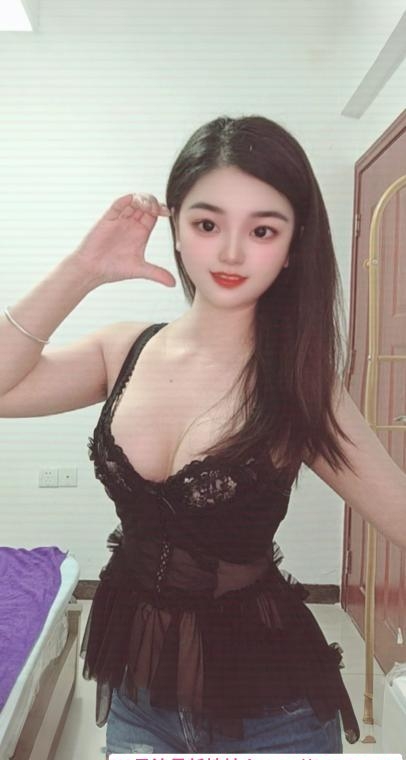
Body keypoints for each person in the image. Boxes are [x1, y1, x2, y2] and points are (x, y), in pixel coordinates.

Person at [1, 115, 406, 756]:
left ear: (293, 245)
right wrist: (85, 268)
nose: (231, 253)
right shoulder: (123, 350)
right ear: (177, 230)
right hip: (140, 696)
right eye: (208, 224)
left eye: (263, 230)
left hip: (274, 714)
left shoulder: (299, 385)